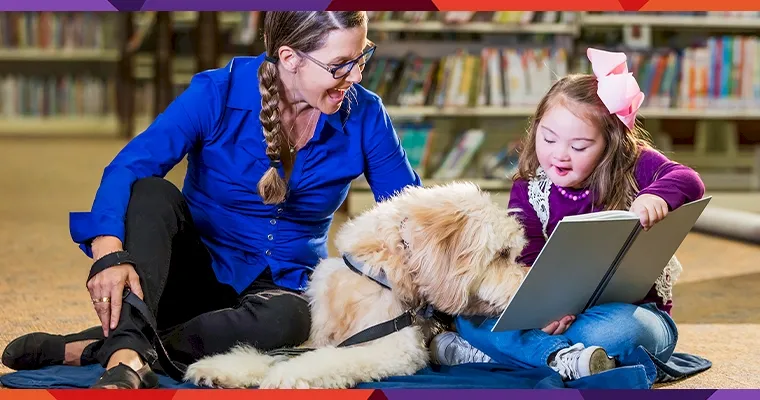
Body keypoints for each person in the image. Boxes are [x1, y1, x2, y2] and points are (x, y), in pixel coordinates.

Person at [2, 11, 421, 389]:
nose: (356, 77)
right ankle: (131, 349)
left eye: (361, 57)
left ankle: (114, 352)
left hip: (283, 291)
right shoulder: (216, 92)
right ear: (290, 57)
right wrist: (109, 253)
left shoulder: (367, 114)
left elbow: (408, 212)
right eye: (339, 66)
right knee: (150, 192)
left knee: (291, 321)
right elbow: (128, 167)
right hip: (192, 276)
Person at [428, 48, 705, 382]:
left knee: (619, 332)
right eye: (548, 138)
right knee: (468, 314)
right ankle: (560, 357)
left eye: (579, 146)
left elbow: (689, 180)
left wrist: (655, 196)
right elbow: (525, 259)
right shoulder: (530, 189)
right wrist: (544, 309)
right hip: (551, 316)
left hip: (628, 313)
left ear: (610, 144)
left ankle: (501, 353)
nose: (559, 155)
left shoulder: (636, 164)